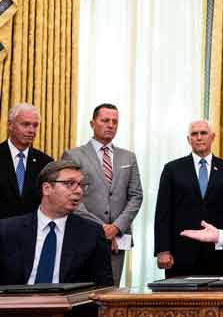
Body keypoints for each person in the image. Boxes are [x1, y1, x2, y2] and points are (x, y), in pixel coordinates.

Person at [61, 103, 143, 285]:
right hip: (84, 234)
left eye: (115, 121)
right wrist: (102, 228)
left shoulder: (128, 157)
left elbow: (136, 195)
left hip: (118, 239)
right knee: (83, 291)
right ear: (92, 123)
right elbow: (71, 197)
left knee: (112, 290)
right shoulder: (73, 155)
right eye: (105, 120)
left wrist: (116, 227)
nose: (110, 125)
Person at [154, 120, 223, 277]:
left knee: (214, 293)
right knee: (177, 294)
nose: (199, 137)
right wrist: (162, 250)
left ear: (212, 137)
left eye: (203, 133)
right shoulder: (172, 169)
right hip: (180, 253)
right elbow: (163, 212)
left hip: (216, 253)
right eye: (194, 134)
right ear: (188, 139)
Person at [0, 160, 113, 285]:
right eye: (70, 184)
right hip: (15, 297)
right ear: (47, 188)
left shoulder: (92, 233)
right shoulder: (6, 230)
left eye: (81, 185)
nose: (79, 191)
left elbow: (103, 287)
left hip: (70, 298)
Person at [0, 103, 53, 219]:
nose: (31, 130)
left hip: (32, 228)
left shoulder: (46, 163)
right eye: (26, 124)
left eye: (35, 125)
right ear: (10, 125)